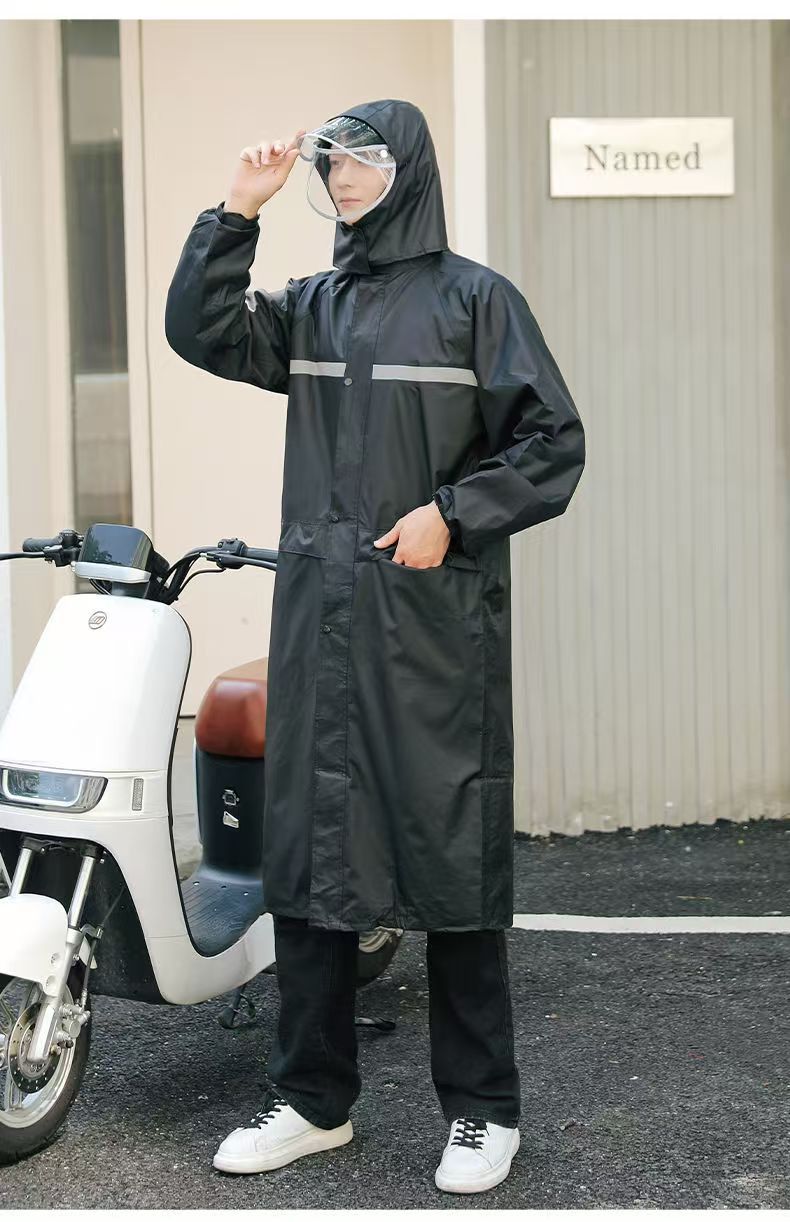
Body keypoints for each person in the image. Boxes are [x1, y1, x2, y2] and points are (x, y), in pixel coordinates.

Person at [165, 99, 585, 1195]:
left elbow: (553, 443)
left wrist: (455, 511)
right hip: (322, 621)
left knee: (451, 857)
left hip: (431, 629)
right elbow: (201, 333)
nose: (340, 176)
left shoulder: (475, 302)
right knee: (311, 859)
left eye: (360, 159)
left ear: (408, 169)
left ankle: (483, 1111)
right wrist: (236, 212)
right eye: (329, 163)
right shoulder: (312, 307)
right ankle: (313, 1100)